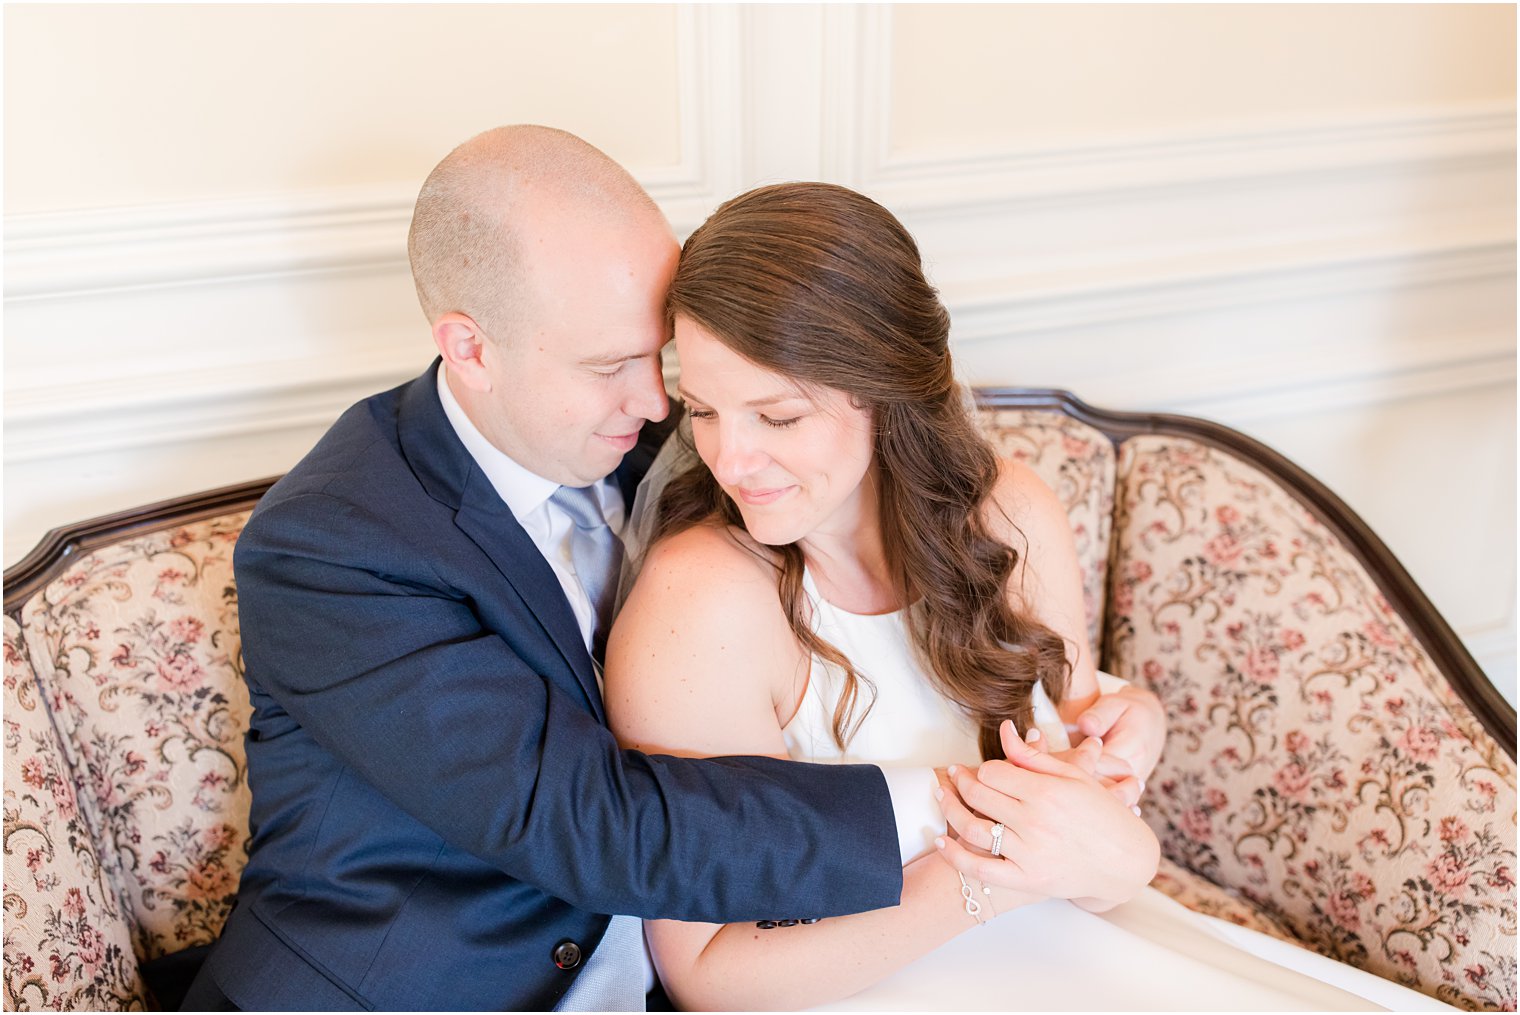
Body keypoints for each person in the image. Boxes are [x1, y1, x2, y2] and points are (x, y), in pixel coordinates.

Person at [605, 182, 1456, 1011]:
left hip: (1083, 941)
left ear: (887, 389)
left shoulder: (1010, 517)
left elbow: (1103, 840)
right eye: (703, 409)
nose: (730, 457)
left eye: (778, 416)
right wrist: (983, 878)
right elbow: (707, 973)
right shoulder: (704, 603)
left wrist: (1126, 738)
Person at [182, 127, 932, 1012]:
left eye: (661, 358)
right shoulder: (334, 544)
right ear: (470, 348)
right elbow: (588, 822)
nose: (659, 403)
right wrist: (947, 808)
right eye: (610, 364)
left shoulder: (680, 445)